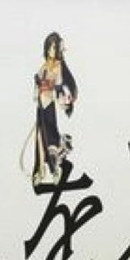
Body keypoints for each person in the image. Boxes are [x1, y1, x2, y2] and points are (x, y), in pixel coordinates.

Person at [31, 32, 78, 185]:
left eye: (54, 47)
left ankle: (54, 169)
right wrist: (37, 87)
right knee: (39, 139)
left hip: (49, 104)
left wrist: (44, 85)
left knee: (50, 135)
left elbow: (57, 85)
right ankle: (39, 170)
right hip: (40, 105)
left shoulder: (58, 66)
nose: (51, 50)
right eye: (49, 47)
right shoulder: (44, 66)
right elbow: (38, 84)